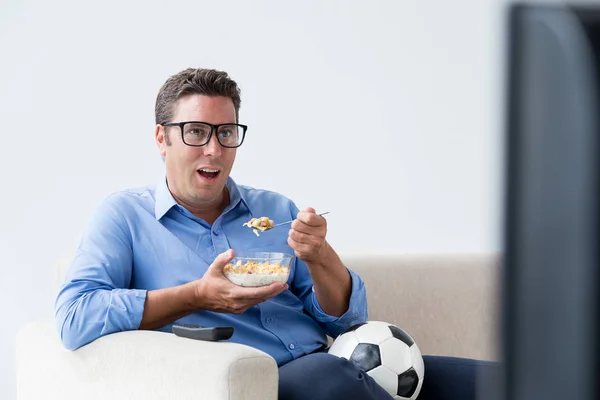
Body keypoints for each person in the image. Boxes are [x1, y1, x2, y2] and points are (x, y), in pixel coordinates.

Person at [55, 67, 498, 400]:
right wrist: (196, 296)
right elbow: (75, 317)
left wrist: (321, 256)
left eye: (226, 132)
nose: (214, 148)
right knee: (330, 378)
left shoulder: (273, 210)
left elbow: (346, 321)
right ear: (161, 138)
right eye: (195, 132)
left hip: (335, 365)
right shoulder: (124, 217)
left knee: (503, 380)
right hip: (261, 383)